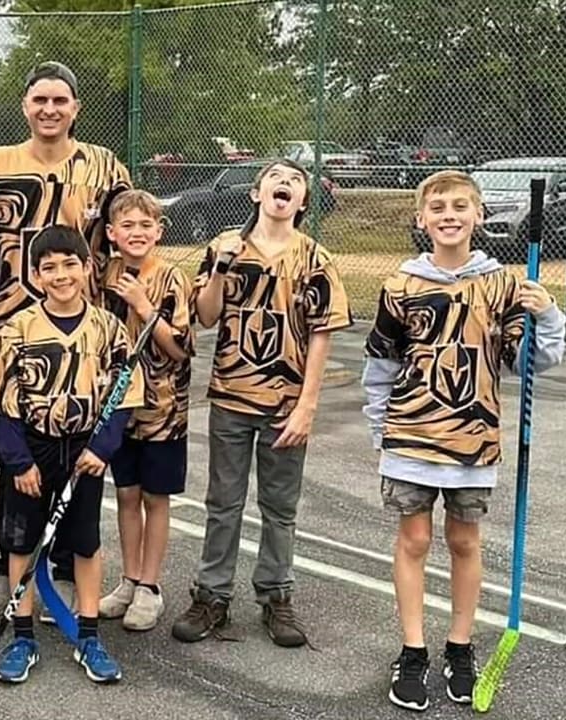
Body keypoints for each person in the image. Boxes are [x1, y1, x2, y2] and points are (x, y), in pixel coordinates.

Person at [0, 60, 131, 620]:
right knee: (19, 460)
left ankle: (66, 564)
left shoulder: (104, 167)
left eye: (61, 100)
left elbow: (133, 228)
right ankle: (7, 567)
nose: (50, 109)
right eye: (40, 100)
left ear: (76, 107)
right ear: (26, 106)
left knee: (81, 460)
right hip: (16, 334)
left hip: (88, 341)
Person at [362, 170, 566, 712]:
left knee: (465, 543)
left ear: (477, 215)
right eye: (437, 207)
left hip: (473, 443)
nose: (448, 215)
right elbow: (380, 364)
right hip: (410, 439)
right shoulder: (400, 285)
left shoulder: (502, 284)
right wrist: (380, 428)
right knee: (413, 542)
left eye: (459, 206)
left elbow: (530, 362)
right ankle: (412, 650)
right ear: (421, 219)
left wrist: (545, 314)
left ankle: (459, 645)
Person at [171, 159, 351, 648]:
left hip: (285, 403)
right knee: (223, 503)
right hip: (232, 394)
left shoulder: (315, 259)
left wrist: (307, 405)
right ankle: (212, 595)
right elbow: (205, 317)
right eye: (276, 178)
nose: (286, 184)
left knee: (279, 507)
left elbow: (321, 335)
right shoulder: (224, 246)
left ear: (304, 200)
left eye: (296, 181)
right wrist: (221, 268)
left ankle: (276, 595)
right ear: (256, 193)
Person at [0, 225, 143, 685]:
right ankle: (22, 636)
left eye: (70, 264)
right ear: (35, 275)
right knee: (21, 542)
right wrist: (18, 461)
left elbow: (125, 396)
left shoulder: (108, 328)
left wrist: (102, 447)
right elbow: (2, 402)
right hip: (31, 450)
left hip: (83, 454)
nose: (60, 274)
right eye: (49, 267)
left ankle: (89, 635)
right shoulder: (17, 329)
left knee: (85, 543)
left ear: (87, 268)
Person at [95, 189, 193, 631]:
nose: (137, 233)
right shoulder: (105, 273)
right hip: (119, 407)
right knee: (126, 494)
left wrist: (143, 306)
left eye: (145, 225)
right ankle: (129, 578)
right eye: (127, 225)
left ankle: (151, 585)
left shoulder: (171, 277)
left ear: (159, 230)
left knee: (156, 496)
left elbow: (178, 349)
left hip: (162, 410)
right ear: (113, 234)